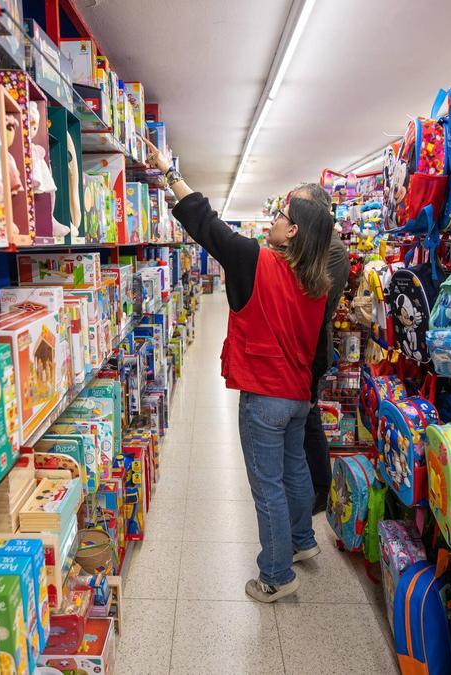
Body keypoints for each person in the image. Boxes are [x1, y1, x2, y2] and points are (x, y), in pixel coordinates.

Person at [148, 142, 334, 603]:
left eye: (280, 215)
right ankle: (303, 541)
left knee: (266, 484)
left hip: (265, 398)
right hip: (296, 398)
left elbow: (205, 224)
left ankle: (275, 573)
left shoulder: (256, 260)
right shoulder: (316, 283)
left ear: (292, 232)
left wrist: (168, 172)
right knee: (294, 471)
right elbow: (316, 348)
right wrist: (309, 392)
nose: (272, 219)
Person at [305, 215, 350, 515]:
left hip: (315, 345)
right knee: (307, 418)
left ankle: (321, 487)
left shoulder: (333, 251)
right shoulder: (319, 246)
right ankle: (314, 483)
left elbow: (314, 296)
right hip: (308, 342)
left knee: (309, 418)